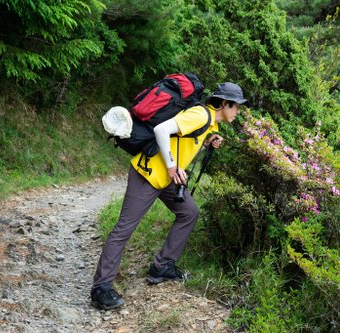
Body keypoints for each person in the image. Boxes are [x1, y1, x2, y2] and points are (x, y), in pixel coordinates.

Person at [90, 82, 248, 310]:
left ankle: (162, 266)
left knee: (189, 212)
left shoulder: (210, 124)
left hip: (167, 178)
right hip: (150, 173)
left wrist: (208, 141)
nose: (238, 111)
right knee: (124, 228)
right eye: (237, 107)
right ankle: (101, 289)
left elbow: (185, 140)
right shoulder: (200, 115)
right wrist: (173, 166)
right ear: (225, 104)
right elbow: (161, 130)